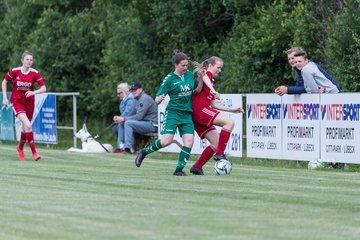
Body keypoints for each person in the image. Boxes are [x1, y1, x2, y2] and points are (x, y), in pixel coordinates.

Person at [134, 50, 203, 176]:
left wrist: (201, 78)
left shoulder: (189, 75)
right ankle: (144, 152)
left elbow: (197, 89)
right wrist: (159, 99)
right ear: (176, 65)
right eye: (183, 65)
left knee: (189, 141)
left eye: (187, 65)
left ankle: (179, 170)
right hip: (173, 113)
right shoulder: (169, 79)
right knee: (166, 141)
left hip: (186, 114)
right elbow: (157, 98)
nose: (186, 68)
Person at [189, 56, 244, 175]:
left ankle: (197, 167)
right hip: (199, 111)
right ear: (210, 66)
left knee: (217, 143)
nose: (220, 70)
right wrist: (213, 90)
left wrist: (232, 110)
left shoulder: (211, 81)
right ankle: (220, 154)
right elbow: (204, 76)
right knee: (229, 123)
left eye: (221, 68)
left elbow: (213, 104)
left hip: (199, 114)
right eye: (218, 67)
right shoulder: (205, 74)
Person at [1, 51, 46, 161]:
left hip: (29, 102)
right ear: (22, 60)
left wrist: (33, 92)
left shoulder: (35, 73)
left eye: (31, 59)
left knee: (25, 127)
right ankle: (34, 153)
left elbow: (44, 88)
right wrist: (5, 98)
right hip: (17, 101)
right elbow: (4, 82)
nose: (29, 61)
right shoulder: (15, 71)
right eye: (27, 59)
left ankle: (20, 148)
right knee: (28, 125)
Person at [275, 47, 341, 95]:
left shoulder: (306, 69)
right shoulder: (301, 67)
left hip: (332, 94)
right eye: (289, 59)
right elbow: (302, 86)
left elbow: (310, 89)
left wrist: (287, 90)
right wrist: (282, 90)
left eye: (293, 58)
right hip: (329, 94)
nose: (292, 61)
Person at [114, 82, 158, 154]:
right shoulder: (136, 99)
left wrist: (124, 119)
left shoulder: (144, 98)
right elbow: (132, 114)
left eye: (135, 90)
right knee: (123, 122)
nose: (133, 92)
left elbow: (139, 116)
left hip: (153, 124)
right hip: (145, 123)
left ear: (140, 89)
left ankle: (128, 149)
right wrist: (120, 118)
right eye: (132, 90)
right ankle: (120, 147)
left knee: (128, 123)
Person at [112, 83, 136, 153]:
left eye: (119, 93)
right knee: (115, 128)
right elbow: (124, 113)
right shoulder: (125, 99)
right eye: (117, 93)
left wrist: (119, 118)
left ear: (124, 92)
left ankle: (126, 147)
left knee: (120, 125)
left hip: (133, 119)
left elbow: (128, 112)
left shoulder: (130, 98)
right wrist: (118, 118)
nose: (118, 95)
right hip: (127, 120)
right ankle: (121, 146)